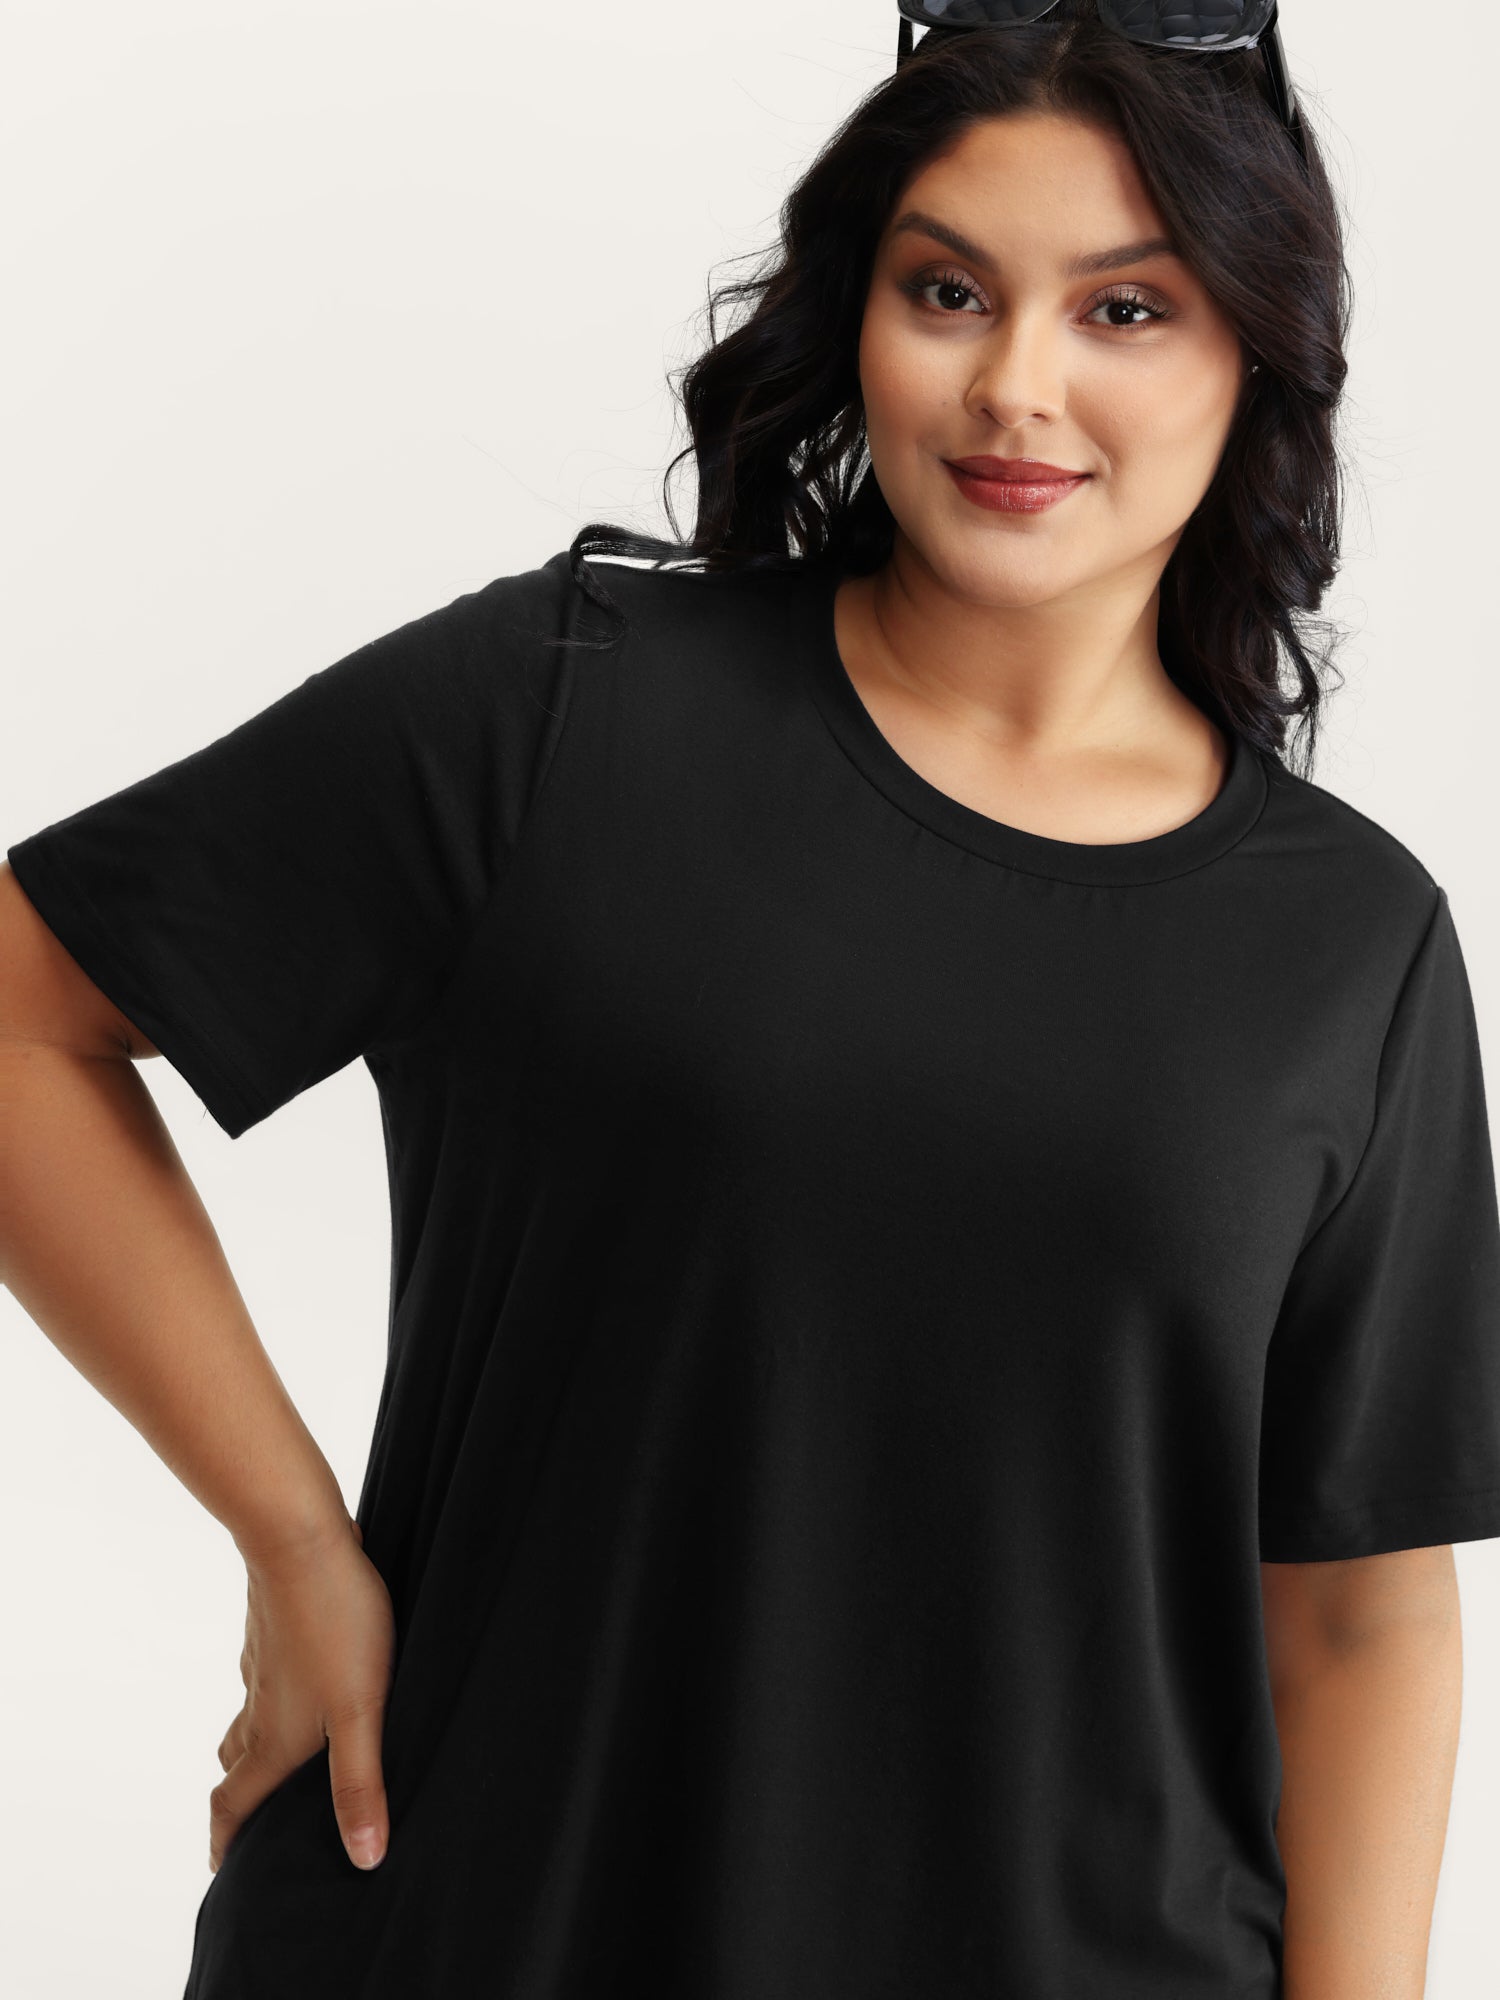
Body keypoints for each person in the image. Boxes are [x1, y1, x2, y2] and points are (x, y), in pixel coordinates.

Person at [2, 3, 1497, 1994]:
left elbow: (1362, 1613)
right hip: (479, 1922)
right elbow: (25, 1016)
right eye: (947, 290)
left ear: (1257, 349)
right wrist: (290, 1542)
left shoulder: (1352, 949)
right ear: (855, 310)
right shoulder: (561, 714)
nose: (1017, 386)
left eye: (1125, 310)